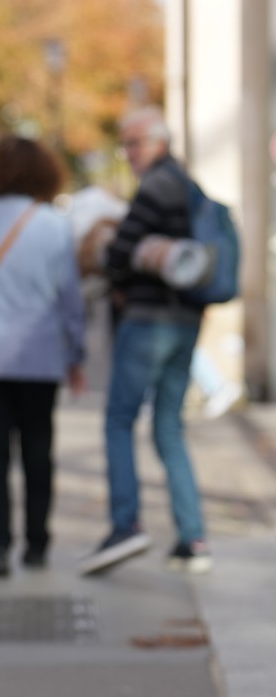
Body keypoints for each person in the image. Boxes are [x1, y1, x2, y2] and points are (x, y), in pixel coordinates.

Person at [0, 134, 86, 576]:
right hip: (38, 354)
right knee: (38, 449)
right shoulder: (53, 222)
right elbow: (69, 297)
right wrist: (76, 351)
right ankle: (38, 543)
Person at [80, 106, 211, 576]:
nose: (128, 152)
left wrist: (115, 256)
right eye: (126, 143)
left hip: (150, 321)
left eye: (134, 143)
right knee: (169, 427)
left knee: (119, 419)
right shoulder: (190, 186)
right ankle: (193, 538)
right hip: (187, 320)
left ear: (159, 141)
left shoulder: (156, 187)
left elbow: (118, 253)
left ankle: (125, 524)